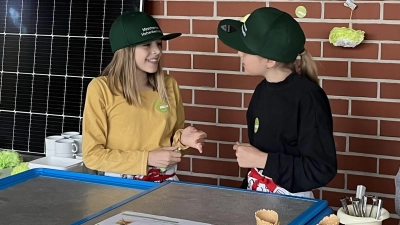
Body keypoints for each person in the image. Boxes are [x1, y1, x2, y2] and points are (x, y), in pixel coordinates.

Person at [217, 7, 337, 198]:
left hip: (292, 204)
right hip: (257, 196)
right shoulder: (261, 91)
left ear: (270, 61)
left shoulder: (308, 98)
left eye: (247, 49)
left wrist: (262, 159)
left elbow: (320, 168)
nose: (239, 53)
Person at [82, 11, 207, 182]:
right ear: (125, 50)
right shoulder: (101, 89)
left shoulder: (169, 85)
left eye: (159, 44)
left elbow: (172, 147)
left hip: (166, 189)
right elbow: (92, 156)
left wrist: (183, 141)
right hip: (117, 191)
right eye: (147, 45)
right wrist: (146, 159)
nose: (157, 51)